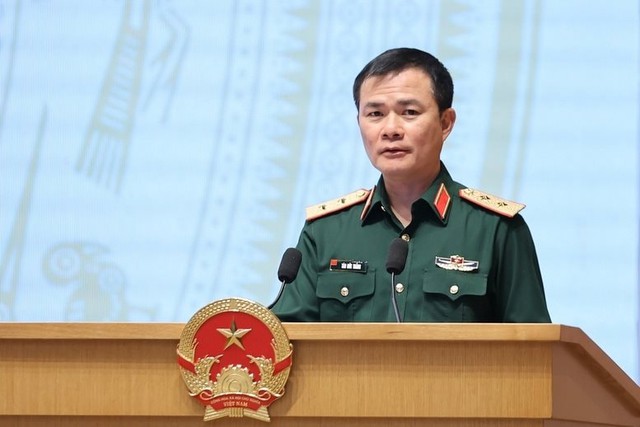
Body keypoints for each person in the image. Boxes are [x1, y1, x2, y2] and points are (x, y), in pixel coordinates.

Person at [271, 47, 551, 323]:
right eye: (375, 114)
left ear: (445, 123)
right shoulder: (325, 232)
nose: (391, 130)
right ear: (359, 123)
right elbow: (285, 341)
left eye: (409, 112)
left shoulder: (496, 229)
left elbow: (532, 346)